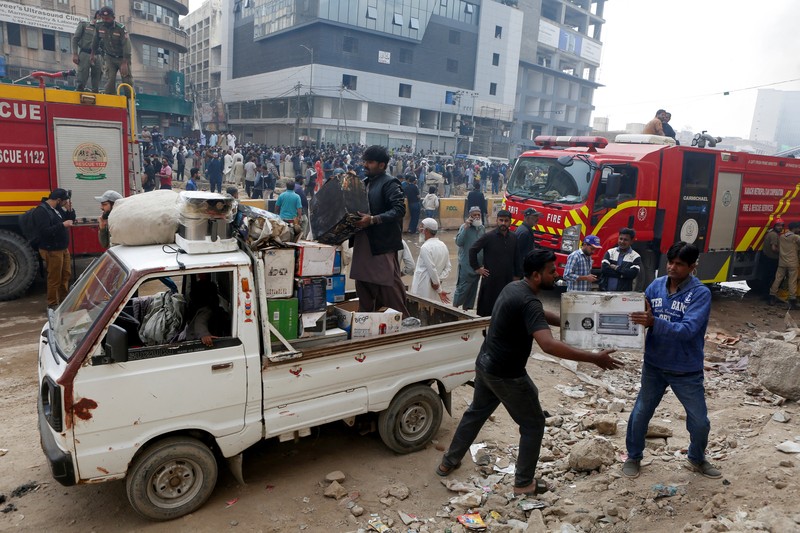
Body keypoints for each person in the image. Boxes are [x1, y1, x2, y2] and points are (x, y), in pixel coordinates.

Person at [436, 249, 624, 494]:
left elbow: (539, 316)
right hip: (507, 375)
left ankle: (448, 462)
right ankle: (524, 483)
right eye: (551, 271)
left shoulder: (514, 288)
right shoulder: (529, 301)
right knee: (534, 424)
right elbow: (548, 345)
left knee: (476, 413)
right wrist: (594, 358)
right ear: (536, 275)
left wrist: (571, 321)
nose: (556, 275)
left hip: (485, 364)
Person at [623, 242, 719, 479]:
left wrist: (654, 322)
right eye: (670, 262)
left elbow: (688, 330)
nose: (672, 267)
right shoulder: (656, 285)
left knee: (700, 422)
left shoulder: (700, 294)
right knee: (640, 413)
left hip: (686, 369)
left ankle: (696, 458)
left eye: (679, 264)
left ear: (692, 266)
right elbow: (637, 314)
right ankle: (633, 456)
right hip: (654, 364)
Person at [350, 145, 410, 316]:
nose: (365, 165)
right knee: (363, 285)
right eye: (364, 161)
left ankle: (403, 322)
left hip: (381, 245)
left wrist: (373, 219)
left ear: (382, 165)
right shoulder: (364, 183)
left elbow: (399, 210)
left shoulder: (390, 183)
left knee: (388, 286)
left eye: (370, 162)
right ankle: (366, 322)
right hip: (362, 243)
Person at [469, 210, 522, 316]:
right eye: (501, 220)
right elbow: (472, 250)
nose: (503, 223)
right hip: (491, 280)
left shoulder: (513, 237)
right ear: (497, 220)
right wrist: (477, 268)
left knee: (506, 308)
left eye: (506, 221)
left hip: (507, 280)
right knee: (488, 309)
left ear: (510, 222)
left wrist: (517, 276)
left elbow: (517, 257)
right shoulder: (489, 236)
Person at [31, 189, 76, 309]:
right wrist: (62, 225)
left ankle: (64, 300)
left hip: (62, 248)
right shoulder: (41, 211)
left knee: (66, 274)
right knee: (55, 277)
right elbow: (44, 232)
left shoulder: (57, 209)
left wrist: (69, 210)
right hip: (51, 249)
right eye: (65, 201)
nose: (66, 203)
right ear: (58, 200)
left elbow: (70, 220)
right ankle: (53, 304)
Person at [91, 6, 132, 96]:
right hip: (109, 57)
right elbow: (95, 41)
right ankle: (111, 98)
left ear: (113, 17)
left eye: (107, 18)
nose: (105, 20)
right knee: (110, 79)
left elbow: (126, 46)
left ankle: (129, 100)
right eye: (103, 18)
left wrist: (124, 63)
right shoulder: (99, 26)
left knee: (126, 80)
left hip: (122, 58)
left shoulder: (121, 28)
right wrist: (92, 54)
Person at [410, 218, 452, 304]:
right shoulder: (443, 245)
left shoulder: (425, 247)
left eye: (421, 227)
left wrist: (438, 287)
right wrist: (439, 280)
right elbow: (448, 267)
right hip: (435, 288)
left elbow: (432, 269)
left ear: (426, 231)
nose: (419, 230)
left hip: (423, 287)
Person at [453, 206, 485, 310]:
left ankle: (466, 311)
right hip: (466, 267)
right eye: (474, 215)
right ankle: (453, 310)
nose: (477, 217)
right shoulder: (464, 227)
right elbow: (459, 242)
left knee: (472, 292)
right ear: (470, 216)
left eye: (478, 215)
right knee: (462, 290)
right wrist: (466, 227)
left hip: (477, 267)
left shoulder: (482, 228)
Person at [769, 221, 800, 309]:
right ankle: (792, 300)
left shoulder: (782, 236)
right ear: (795, 228)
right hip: (792, 262)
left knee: (778, 279)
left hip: (782, 262)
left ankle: (772, 296)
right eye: (798, 228)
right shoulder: (796, 237)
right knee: (792, 281)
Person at [72, 11, 103, 93]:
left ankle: (95, 92)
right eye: (102, 17)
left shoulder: (104, 29)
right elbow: (75, 39)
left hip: (98, 55)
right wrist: (75, 54)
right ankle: (80, 91)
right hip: (85, 53)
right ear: (98, 16)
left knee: (98, 75)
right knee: (82, 75)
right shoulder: (84, 25)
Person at [758, 218, 783, 296]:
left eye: (781, 226)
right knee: (770, 277)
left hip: (767, 258)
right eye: (778, 226)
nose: (780, 227)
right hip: (771, 259)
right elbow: (773, 248)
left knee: (766, 277)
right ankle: (767, 295)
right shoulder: (774, 235)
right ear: (774, 226)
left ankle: (764, 294)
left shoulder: (769, 233)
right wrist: (782, 252)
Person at [515, 208, 540, 275]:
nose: (537, 219)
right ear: (527, 218)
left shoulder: (525, 229)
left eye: (537, 216)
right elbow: (517, 253)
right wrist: (517, 272)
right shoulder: (525, 232)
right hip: (521, 270)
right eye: (535, 216)